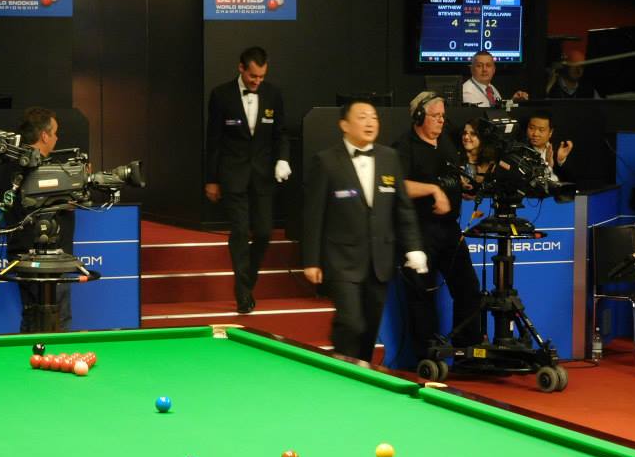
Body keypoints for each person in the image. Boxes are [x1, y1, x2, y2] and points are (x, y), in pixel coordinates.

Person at [302, 99, 425, 364]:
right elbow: (313, 215)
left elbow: (403, 209)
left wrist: (414, 248)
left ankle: (361, 372)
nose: (370, 123)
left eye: (374, 117)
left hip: (380, 259)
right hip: (341, 259)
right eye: (362, 117)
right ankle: (341, 366)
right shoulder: (326, 161)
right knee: (351, 321)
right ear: (344, 125)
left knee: (369, 326)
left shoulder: (389, 158)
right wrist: (311, 260)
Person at [393, 92, 482, 360]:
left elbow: (450, 175)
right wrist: (433, 190)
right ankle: (427, 358)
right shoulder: (404, 146)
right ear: (419, 116)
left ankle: (468, 354)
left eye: (443, 115)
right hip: (419, 232)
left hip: (450, 230)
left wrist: (461, 188)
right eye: (435, 116)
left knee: (469, 290)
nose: (442, 121)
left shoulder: (446, 141)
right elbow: (398, 185)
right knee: (422, 296)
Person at [205, 45, 291, 313]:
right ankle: (243, 294)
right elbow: (213, 140)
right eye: (253, 76)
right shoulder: (221, 95)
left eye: (262, 76)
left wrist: (283, 159)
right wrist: (211, 179)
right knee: (240, 231)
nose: (257, 81)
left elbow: (281, 133)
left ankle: (247, 280)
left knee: (264, 232)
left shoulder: (273, 94)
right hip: (233, 174)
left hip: (263, 175)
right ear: (241, 68)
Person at [5, 106, 73, 332]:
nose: (57, 138)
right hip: (43, 261)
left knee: (33, 317)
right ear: (44, 135)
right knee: (54, 320)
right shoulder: (37, 171)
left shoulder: (16, 165)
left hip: (32, 258)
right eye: (55, 133)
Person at [461, 50, 528, 107]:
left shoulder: (490, 88)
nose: (484, 69)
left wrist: (513, 101)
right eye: (479, 66)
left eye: (488, 65)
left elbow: (498, 108)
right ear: (471, 69)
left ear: (494, 69)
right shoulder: (467, 92)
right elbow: (486, 113)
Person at [525, 110, 573, 183]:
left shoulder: (558, 148)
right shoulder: (522, 150)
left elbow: (571, 179)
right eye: (531, 128)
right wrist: (548, 166)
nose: (535, 134)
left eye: (541, 130)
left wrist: (560, 160)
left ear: (550, 132)